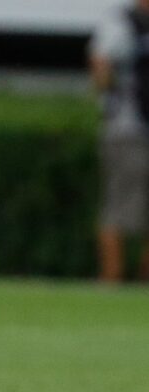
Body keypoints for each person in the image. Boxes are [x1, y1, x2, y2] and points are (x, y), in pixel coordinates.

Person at [90, 0, 149, 282]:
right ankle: (112, 278)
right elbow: (100, 64)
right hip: (127, 128)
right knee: (119, 205)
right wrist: (110, 100)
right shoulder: (122, 23)